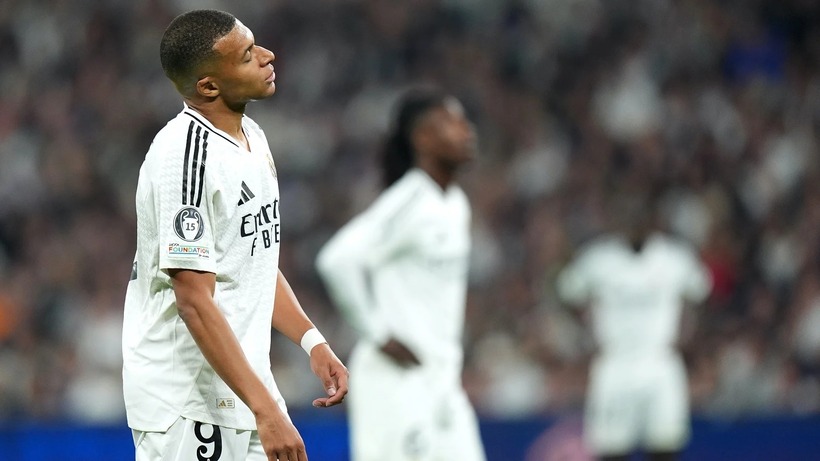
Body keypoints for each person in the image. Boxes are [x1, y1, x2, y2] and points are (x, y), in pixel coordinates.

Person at [122, 9, 348, 461]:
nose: (267, 55)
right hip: (188, 400)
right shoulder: (184, 158)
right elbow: (193, 299)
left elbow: (251, 261)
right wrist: (266, 411)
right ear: (209, 86)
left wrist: (312, 340)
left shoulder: (253, 137)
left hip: (244, 388)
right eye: (247, 56)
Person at [315, 88, 487, 461]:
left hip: (441, 381)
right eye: (452, 123)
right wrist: (377, 333)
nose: (466, 131)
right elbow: (336, 260)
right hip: (396, 382)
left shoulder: (455, 203)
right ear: (422, 138)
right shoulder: (411, 200)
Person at [555, 193, 712, 461]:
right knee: (612, 449)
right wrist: (586, 331)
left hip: (659, 361)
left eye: (639, 215)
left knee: (665, 446)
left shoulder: (673, 257)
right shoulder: (599, 259)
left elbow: (700, 292)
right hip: (616, 362)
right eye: (627, 215)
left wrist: (687, 333)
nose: (634, 222)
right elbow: (566, 291)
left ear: (652, 220)